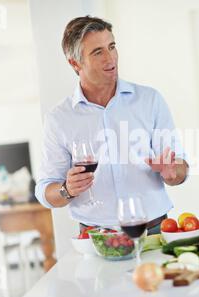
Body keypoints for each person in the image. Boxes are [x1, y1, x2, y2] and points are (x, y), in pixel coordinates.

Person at [35, 16, 189, 235]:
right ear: (75, 63)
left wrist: (172, 172)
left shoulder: (150, 100)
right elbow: (45, 191)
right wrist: (66, 189)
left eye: (112, 47)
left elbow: (181, 168)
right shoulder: (59, 118)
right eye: (98, 52)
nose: (111, 58)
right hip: (96, 236)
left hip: (154, 230)